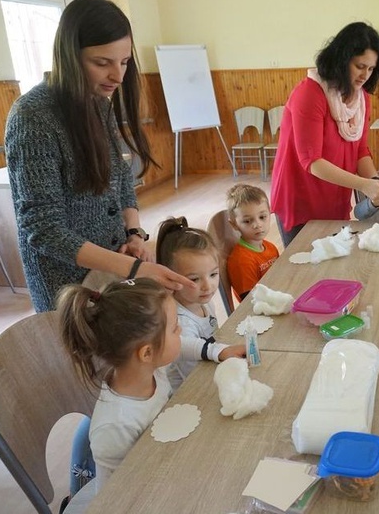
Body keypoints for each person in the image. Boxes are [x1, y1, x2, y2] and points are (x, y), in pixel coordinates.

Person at [5, 0, 192, 313]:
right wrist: (133, 268)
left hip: (112, 269)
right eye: (102, 63)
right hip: (67, 288)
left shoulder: (99, 103)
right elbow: (44, 231)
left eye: (124, 62)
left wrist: (133, 233)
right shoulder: (32, 117)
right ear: (69, 56)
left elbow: (119, 182)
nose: (117, 76)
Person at [270, 22, 379, 246]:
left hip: (334, 196)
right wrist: (364, 185)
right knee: (304, 270)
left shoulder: (361, 98)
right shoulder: (309, 94)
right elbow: (312, 162)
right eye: (360, 66)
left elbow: (360, 151)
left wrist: (376, 183)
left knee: (334, 265)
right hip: (300, 199)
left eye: (371, 69)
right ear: (341, 59)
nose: (365, 75)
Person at [57, 278, 179, 492]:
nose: (181, 332)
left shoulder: (152, 370)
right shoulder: (115, 427)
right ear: (147, 352)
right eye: (175, 329)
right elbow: (115, 495)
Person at [156, 217, 246, 389]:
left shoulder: (201, 301)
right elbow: (194, 376)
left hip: (213, 373)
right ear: (170, 278)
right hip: (192, 389)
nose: (208, 286)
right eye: (195, 279)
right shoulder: (179, 322)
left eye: (213, 274)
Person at [225, 184, 280, 301]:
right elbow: (250, 301)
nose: (257, 225)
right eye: (247, 221)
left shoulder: (270, 247)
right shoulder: (241, 260)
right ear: (234, 224)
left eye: (262, 217)